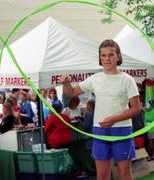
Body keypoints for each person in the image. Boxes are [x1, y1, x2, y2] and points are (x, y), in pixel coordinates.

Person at [60, 39, 140, 180]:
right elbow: (71, 92)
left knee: (124, 174)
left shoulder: (127, 79)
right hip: (100, 129)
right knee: (102, 176)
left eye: (110, 55)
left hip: (121, 129)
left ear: (118, 56)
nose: (106, 59)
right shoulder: (95, 79)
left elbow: (136, 109)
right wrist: (66, 83)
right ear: (100, 58)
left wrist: (114, 119)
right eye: (103, 55)